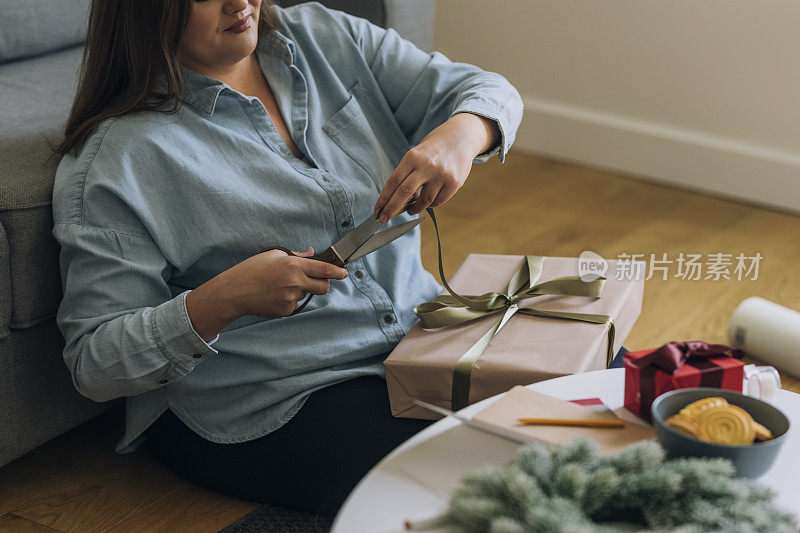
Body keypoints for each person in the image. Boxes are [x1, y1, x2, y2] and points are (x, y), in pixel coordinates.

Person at [50, 0, 523, 516]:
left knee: (605, 390)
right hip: (279, 399)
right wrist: (221, 300)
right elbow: (95, 361)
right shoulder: (116, 161)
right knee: (497, 474)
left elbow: (487, 91)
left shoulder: (326, 36)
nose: (239, 2)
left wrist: (460, 136)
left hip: (419, 342)